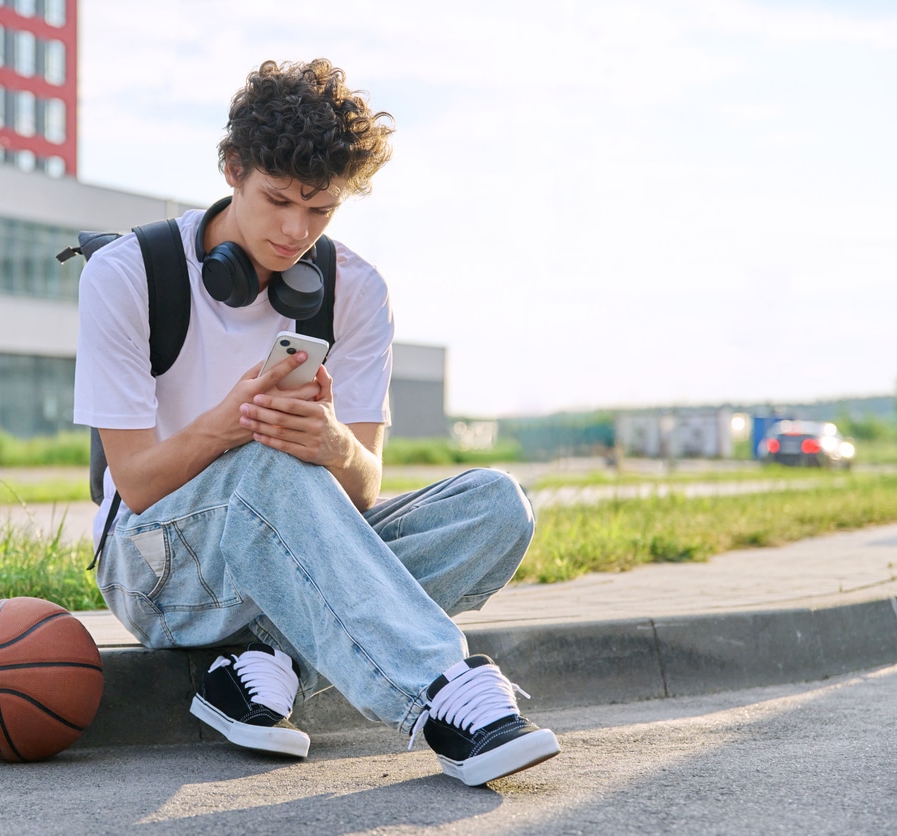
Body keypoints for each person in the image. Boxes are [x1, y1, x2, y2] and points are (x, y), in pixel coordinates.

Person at [73, 58, 559, 786]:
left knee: (496, 505)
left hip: (299, 547)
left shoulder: (356, 289)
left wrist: (333, 446)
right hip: (157, 570)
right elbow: (135, 484)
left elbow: (362, 490)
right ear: (233, 168)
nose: (295, 231)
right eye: (277, 201)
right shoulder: (127, 273)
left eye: (321, 209)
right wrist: (231, 424)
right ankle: (442, 693)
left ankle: (256, 663)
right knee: (263, 463)